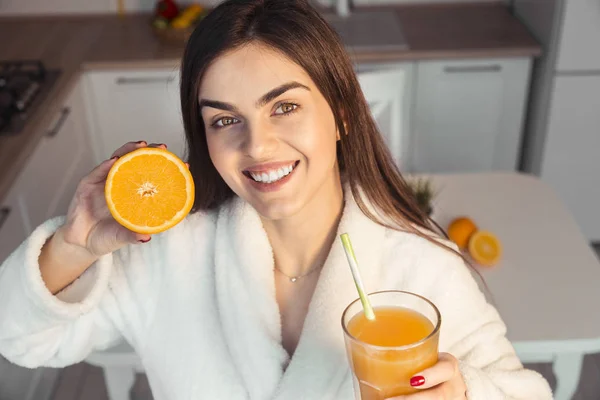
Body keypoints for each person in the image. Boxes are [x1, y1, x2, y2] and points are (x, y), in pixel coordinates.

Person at [0, 0, 551, 399]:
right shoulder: (166, 253)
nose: (256, 146)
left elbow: (523, 393)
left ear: (341, 113)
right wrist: (75, 246)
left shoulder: (423, 268)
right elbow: (20, 342)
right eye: (224, 120)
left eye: (283, 107)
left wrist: (465, 394)